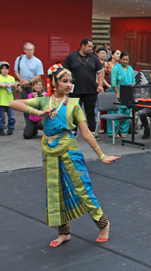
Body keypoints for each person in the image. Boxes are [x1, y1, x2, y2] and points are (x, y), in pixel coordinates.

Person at [9, 65, 119, 247]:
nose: (69, 85)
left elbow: (86, 133)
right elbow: (14, 103)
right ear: (54, 82)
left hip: (69, 150)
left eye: (70, 82)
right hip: (49, 152)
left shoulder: (73, 105)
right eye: (65, 81)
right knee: (54, 191)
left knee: (83, 188)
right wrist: (38, 113)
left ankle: (103, 224)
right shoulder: (44, 101)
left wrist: (101, 156)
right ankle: (64, 233)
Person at [63, 38, 104, 135]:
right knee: (74, 112)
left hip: (90, 90)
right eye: (89, 46)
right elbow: (65, 72)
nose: (91, 48)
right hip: (75, 90)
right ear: (82, 46)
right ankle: (73, 131)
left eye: (91, 46)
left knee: (90, 112)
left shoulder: (93, 57)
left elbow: (100, 71)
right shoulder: (71, 57)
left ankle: (92, 131)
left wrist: (100, 85)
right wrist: (66, 86)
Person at [14, 42, 44, 124]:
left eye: (31, 50)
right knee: (24, 105)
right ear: (24, 50)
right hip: (22, 85)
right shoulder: (19, 59)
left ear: (34, 51)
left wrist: (29, 82)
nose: (30, 51)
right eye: (28, 50)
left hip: (33, 86)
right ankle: (27, 123)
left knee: (34, 104)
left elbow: (39, 76)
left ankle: (36, 122)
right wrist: (21, 81)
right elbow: (16, 71)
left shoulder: (37, 61)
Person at [108, 51, 135, 138]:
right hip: (117, 93)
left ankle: (123, 131)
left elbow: (133, 82)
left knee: (126, 112)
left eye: (127, 60)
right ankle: (113, 132)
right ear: (120, 59)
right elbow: (113, 82)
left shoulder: (130, 69)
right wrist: (117, 93)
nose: (125, 61)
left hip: (128, 93)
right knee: (115, 111)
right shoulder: (116, 68)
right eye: (123, 59)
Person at [99, 49, 121, 134]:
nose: (118, 55)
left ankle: (113, 127)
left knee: (114, 107)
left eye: (119, 54)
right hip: (106, 87)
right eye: (117, 54)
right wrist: (108, 86)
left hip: (115, 88)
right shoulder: (106, 64)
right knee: (105, 107)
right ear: (112, 55)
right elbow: (102, 76)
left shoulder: (119, 66)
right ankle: (103, 126)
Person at [0, 62, 20, 136]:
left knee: (11, 116)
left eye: (6, 68)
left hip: (10, 100)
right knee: (1, 117)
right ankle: (1, 129)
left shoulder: (11, 78)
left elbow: (16, 89)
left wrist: (15, 85)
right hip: (1, 100)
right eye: (3, 68)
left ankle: (10, 129)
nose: (5, 70)